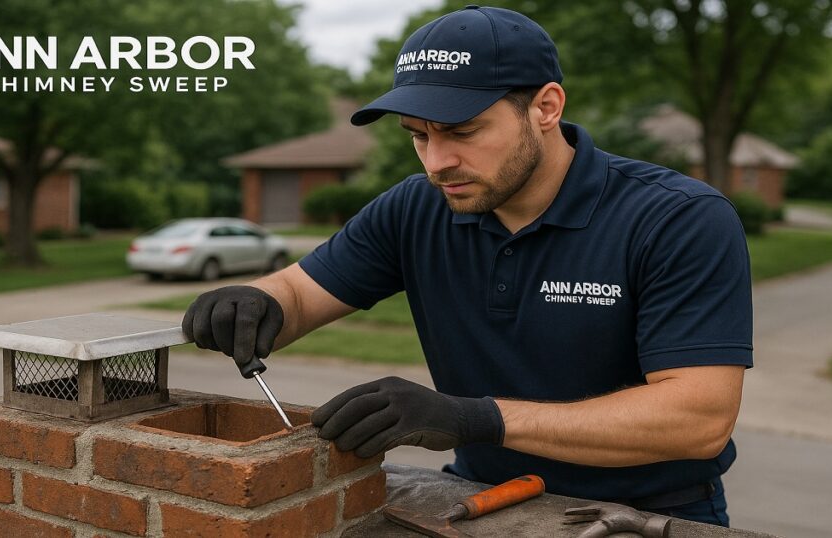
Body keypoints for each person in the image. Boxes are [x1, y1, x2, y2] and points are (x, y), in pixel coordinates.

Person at [184, 5, 751, 527]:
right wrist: (257, 302)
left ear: (546, 107)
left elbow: (697, 418)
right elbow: (300, 294)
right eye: (418, 137)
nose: (438, 161)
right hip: (477, 499)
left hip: (646, 514)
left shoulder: (678, 218)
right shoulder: (416, 206)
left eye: (462, 132)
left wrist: (472, 419)